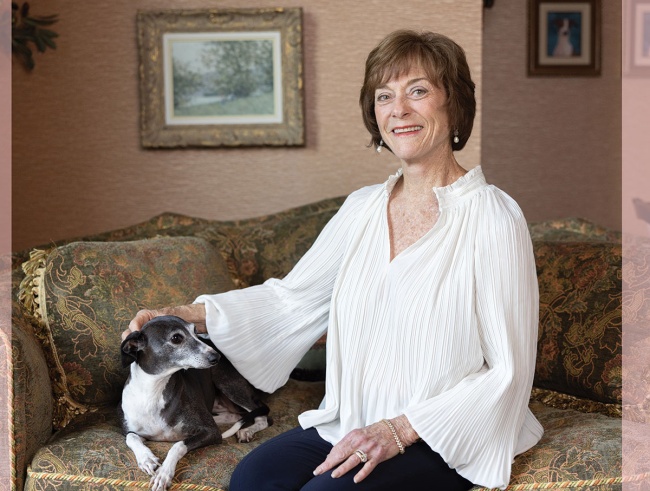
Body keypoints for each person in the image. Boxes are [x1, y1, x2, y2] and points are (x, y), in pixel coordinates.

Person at [124, 30, 543, 490]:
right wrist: (183, 314)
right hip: (351, 422)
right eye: (385, 96)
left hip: (445, 434)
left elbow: (509, 368)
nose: (399, 109)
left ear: (454, 103)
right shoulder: (362, 208)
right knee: (251, 480)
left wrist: (398, 429)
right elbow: (291, 301)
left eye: (418, 91)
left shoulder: (493, 216)